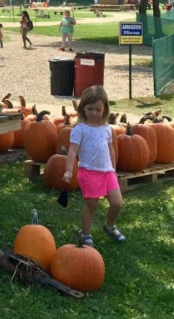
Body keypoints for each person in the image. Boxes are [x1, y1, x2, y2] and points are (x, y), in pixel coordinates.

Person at [63, 85, 125, 246]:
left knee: (117, 203)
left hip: (107, 172)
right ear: (83, 108)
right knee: (91, 205)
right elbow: (72, 151)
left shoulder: (107, 129)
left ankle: (109, 226)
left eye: (98, 110)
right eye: (90, 109)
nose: (94, 113)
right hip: (88, 172)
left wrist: (114, 168)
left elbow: (110, 150)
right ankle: (86, 234)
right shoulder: (80, 129)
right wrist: (69, 170)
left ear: (104, 110)